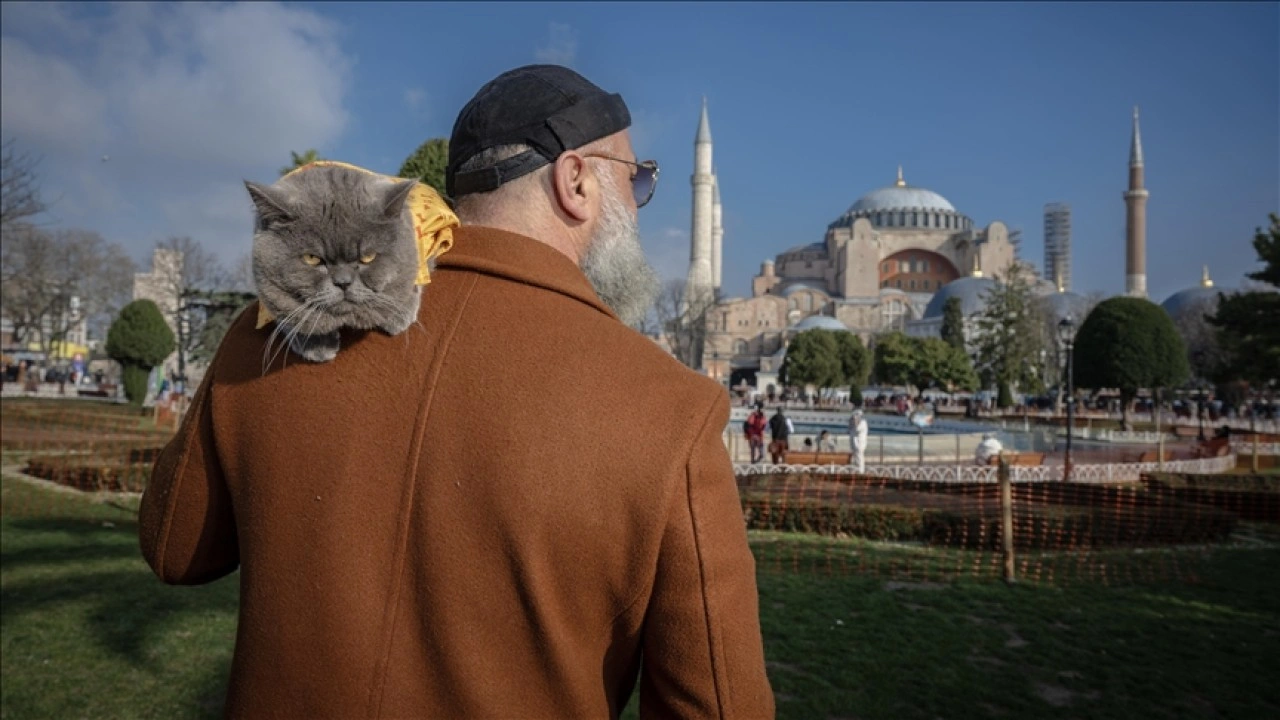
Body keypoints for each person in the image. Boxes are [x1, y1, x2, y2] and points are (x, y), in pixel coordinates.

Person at [138, 64, 773, 718]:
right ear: (576, 180)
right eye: (636, 180)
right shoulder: (672, 410)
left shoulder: (271, 334)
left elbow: (175, 550)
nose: (641, 202)